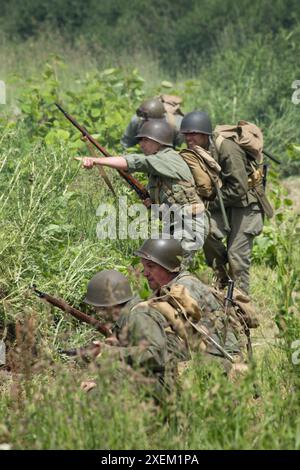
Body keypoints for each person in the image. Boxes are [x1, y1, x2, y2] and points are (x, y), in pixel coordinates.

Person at [76, 119, 208, 263]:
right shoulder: (158, 166)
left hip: (189, 225)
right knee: (160, 267)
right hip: (175, 225)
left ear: (159, 141)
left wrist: (96, 161)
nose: (141, 144)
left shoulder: (168, 158)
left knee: (174, 268)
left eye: (145, 140)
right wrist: (152, 203)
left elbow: (136, 161)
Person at [180, 111, 264, 295]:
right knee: (204, 228)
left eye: (193, 134)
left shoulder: (227, 149)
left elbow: (238, 188)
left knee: (237, 256)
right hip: (224, 201)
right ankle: (222, 280)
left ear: (205, 134)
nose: (188, 138)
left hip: (246, 204)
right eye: (185, 134)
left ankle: (241, 303)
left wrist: (208, 205)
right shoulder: (195, 151)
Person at [134, 238, 247, 373]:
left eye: (151, 266)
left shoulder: (185, 287)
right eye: (144, 267)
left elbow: (176, 323)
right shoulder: (170, 287)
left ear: (168, 265)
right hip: (209, 358)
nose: (145, 273)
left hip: (223, 361)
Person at [79, 269, 188, 393]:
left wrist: (111, 352)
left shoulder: (138, 315)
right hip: (163, 380)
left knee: (96, 393)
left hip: (172, 385)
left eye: (97, 307)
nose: (96, 311)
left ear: (108, 305)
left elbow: (156, 354)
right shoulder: (129, 314)